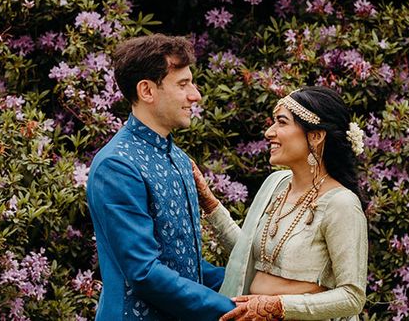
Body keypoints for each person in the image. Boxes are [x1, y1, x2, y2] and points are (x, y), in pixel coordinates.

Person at [86, 34, 236, 320]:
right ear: (147, 90)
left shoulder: (179, 159)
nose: (195, 95)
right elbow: (144, 272)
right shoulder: (117, 165)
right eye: (183, 84)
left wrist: (259, 291)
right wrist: (234, 311)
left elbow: (184, 262)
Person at [194, 86, 368, 321]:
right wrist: (209, 203)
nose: (269, 132)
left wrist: (278, 306)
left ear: (316, 136)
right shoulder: (277, 185)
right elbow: (246, 256)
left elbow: (352, 297)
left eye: (282, 123)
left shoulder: (341, 203)